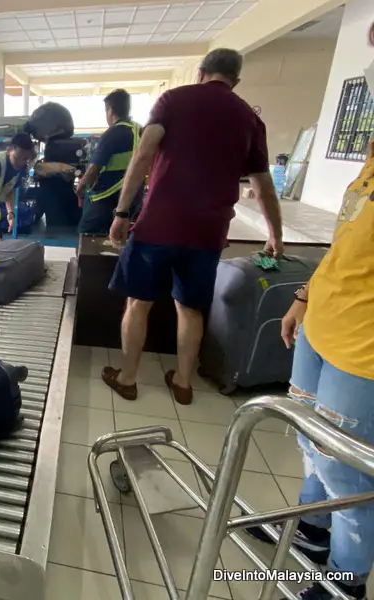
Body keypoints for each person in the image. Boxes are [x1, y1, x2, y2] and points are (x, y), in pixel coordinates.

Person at [245, 23, 374, 600]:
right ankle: (313, 530)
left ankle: (346, 583)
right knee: (308, 439)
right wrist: (304, 297)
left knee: (349, 469)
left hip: (366, 348)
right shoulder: (372, 155)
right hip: (325, 321)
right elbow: (348, 241)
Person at [102, 48, 284, 405]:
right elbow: (263, 185)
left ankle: (127, 378)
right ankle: (183, 383)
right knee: (190, 309)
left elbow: (144, 155)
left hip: (158, 225)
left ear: (201, 72)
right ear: (236, 80)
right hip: (207, 232)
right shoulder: (250, 118)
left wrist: (122, 212)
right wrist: (275, 235)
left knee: (138, 303)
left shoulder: (172, 100)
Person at [76, 89, 143, 234]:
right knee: (120, 238)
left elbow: (93, 170)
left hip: (107, 200)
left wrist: (80, 188)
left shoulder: (113, 133)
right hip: (133, 199)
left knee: (87, 235)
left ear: (110, 110)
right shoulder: (140, 131)